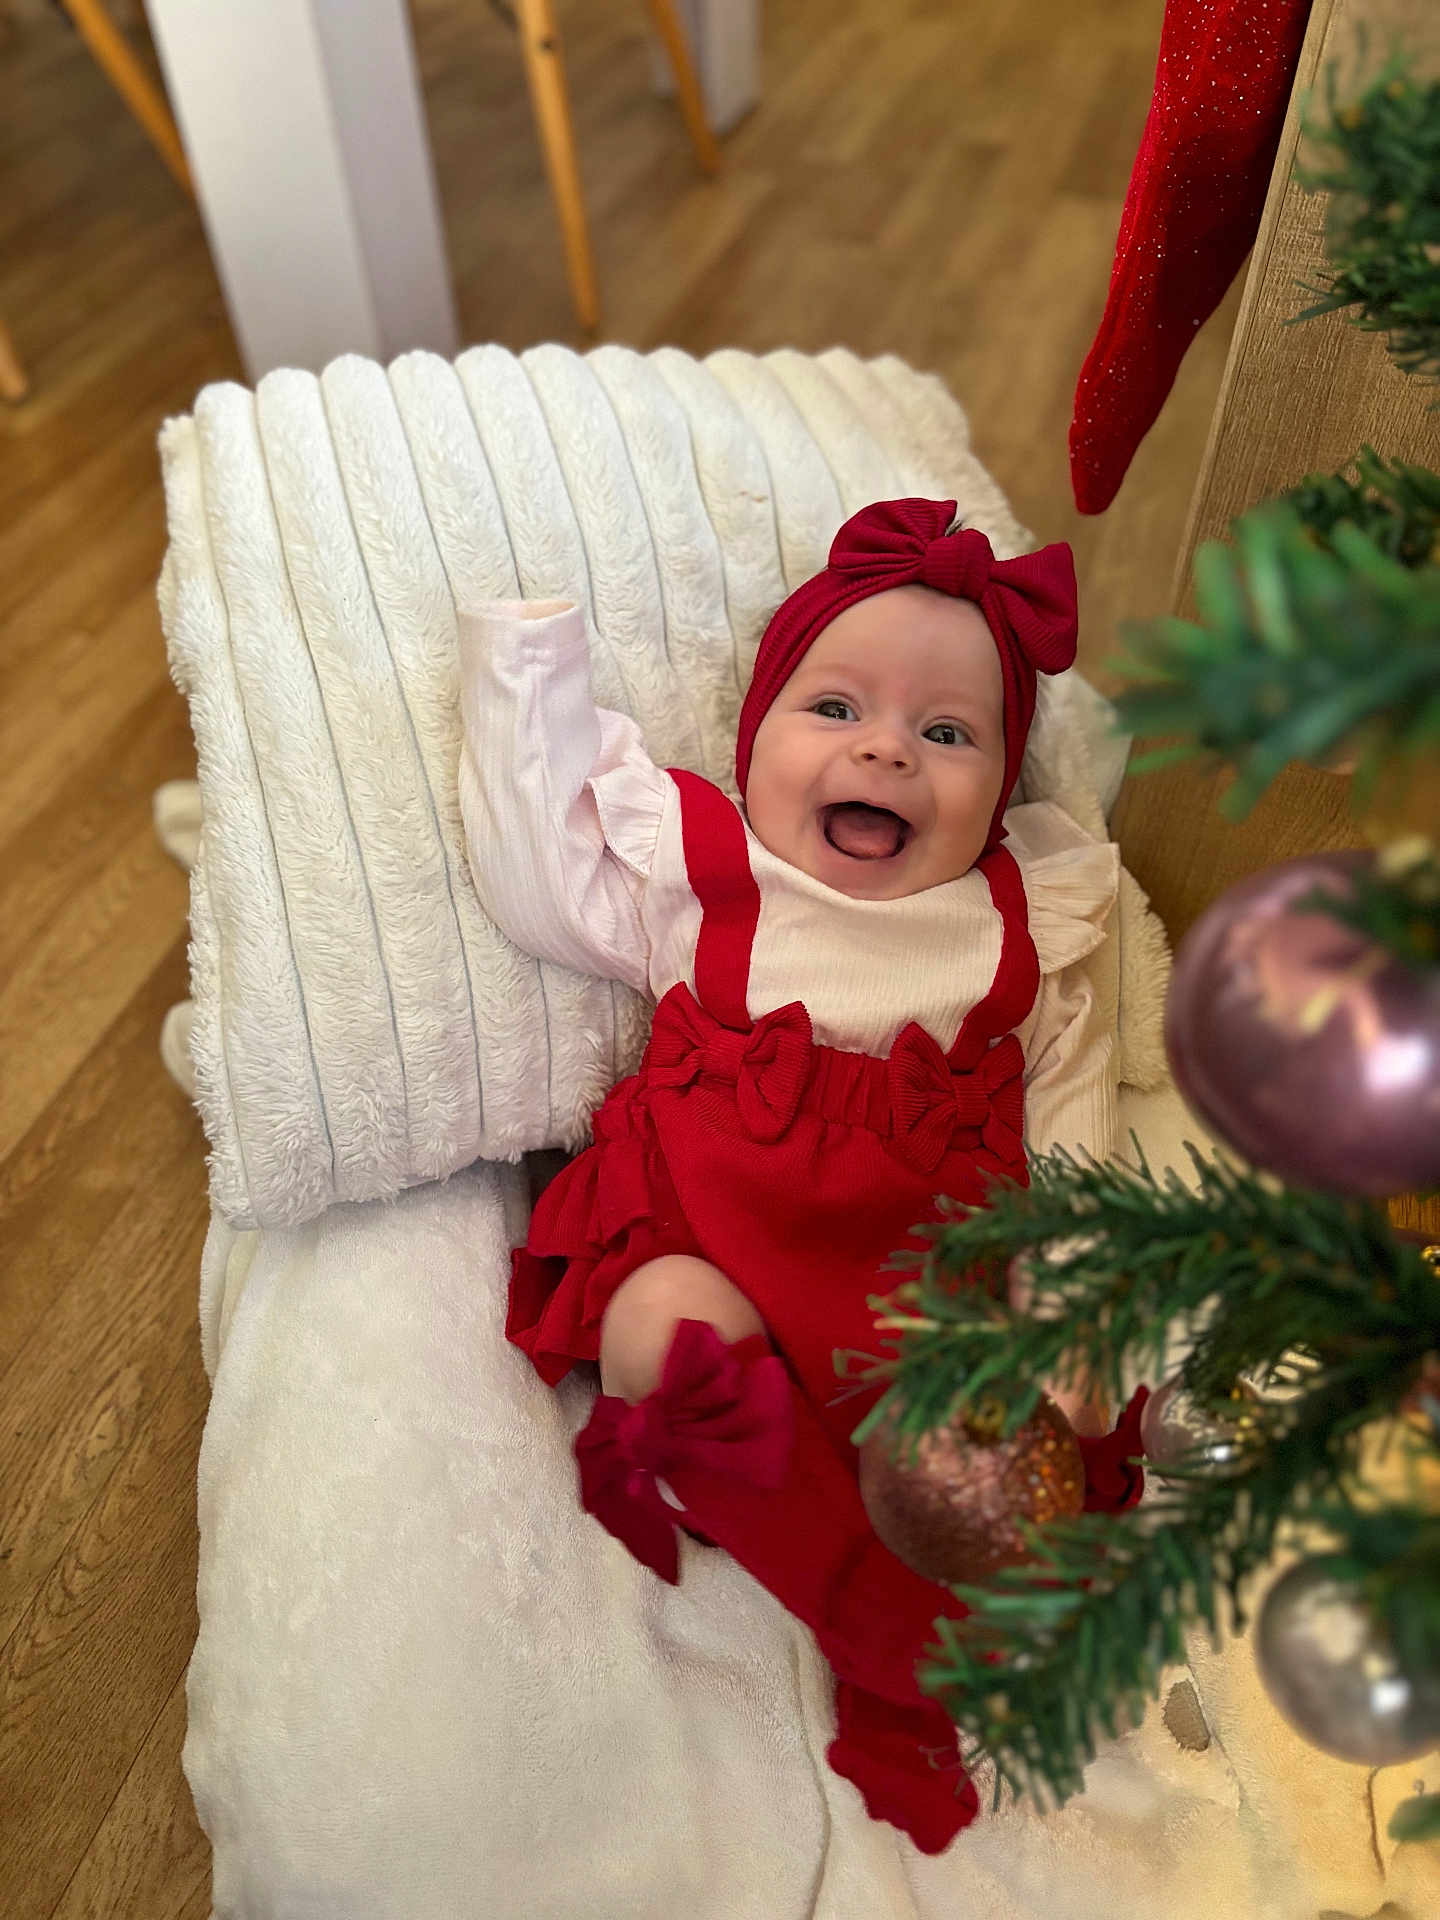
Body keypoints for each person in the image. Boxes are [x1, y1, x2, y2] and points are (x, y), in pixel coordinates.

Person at [458, 496, 1148, 1854]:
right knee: (664, 1322)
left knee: (1017, 1449)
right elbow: (532, 879)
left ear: (1000, 792)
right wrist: (525, 668)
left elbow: (1071, 1132)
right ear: (753, 740)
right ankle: (873, 1620)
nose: (886, 748)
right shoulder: (709, 866)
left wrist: (1068, 1318)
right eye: (834, 709)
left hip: (918, 1309)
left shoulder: (1026, 921)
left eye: (948, 735)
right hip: (720, 1254)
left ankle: (899, 1557)